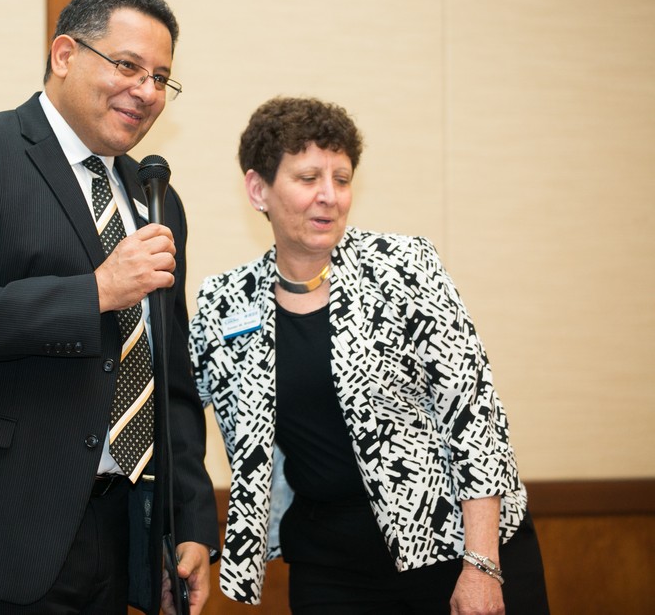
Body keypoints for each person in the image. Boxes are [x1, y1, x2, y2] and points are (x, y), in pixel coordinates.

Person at [0, 0, 219, 615]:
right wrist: (96, 291)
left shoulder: (156, 199)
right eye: (128, 65)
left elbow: (169, 375)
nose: (147, 91)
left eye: (162, 77)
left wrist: (188, 523)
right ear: (64, 54)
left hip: (116, 536)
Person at [189, 96, 550, 614]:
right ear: (258, 189)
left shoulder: (404, 267)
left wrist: (481, 565)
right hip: (329, 565)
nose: (329, 196)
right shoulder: (226, 303)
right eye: (309, 177)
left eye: (341, 178)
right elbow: (174, 408)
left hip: (453, 550)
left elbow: (474, 418)